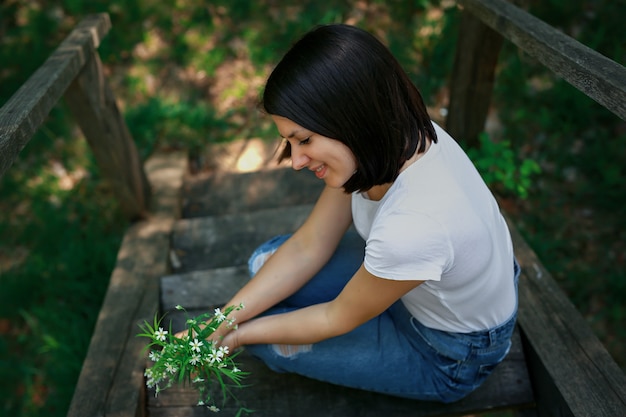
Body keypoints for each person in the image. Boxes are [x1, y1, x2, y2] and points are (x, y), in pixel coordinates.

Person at [199, 23, 519, 403]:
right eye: (289, 141)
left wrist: (236, 335)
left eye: (304, 140)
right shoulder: (392, 140)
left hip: (450, 353)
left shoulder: (412, 226)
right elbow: (309, 245)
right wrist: (218, 322)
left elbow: (335, 317)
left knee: (266, 345)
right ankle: (370, 312)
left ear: (352, 117)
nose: (296, 161)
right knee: (263, 263)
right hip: (413, 285)